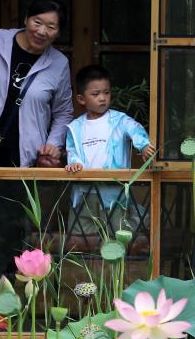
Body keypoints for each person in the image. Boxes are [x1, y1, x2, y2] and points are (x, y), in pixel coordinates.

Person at [63, 65, 155, 239]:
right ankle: (87, 267)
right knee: (81, 238)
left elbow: (135, 129)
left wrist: (142, 145)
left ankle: (139, 218)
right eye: (96, 94)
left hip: (114, 193)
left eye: (106, 92)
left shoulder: (119, 120)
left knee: (118, 237)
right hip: (84, 193)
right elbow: (72, 151)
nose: (103, 98)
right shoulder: (75, 127)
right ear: (81, 99)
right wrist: (74, 163)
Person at [0, 0, 74, 167]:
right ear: (26, 19)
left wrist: (53, 144)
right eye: (37, 22)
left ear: (58, 33)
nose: (42, 31)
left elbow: (63, 112)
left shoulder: (59, 63)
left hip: (26, 155)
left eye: (51, 27)